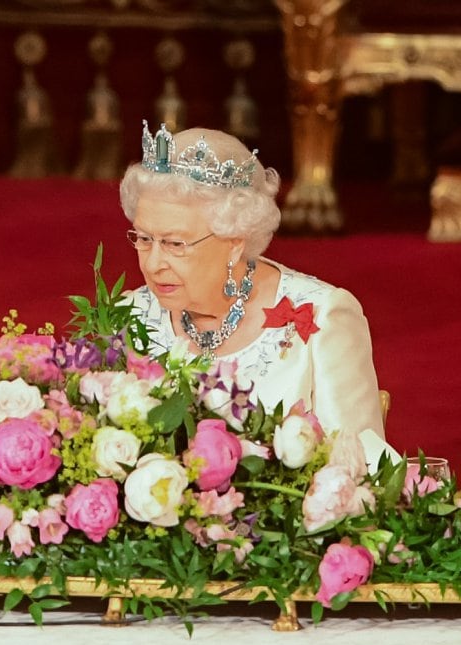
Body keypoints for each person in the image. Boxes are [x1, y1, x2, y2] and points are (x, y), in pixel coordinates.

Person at [122, 122, 388, 446]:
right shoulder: (129, 316)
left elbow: (363, 474)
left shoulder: (324, 318)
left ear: (235, 241)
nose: (152, 264)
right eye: (144, 239)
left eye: (175, 244)